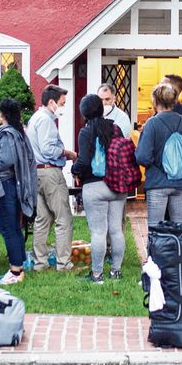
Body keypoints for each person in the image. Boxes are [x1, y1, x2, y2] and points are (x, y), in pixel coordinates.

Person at [72, 93, 126, 283]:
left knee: (98, 232)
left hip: (95, 186)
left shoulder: (86, 132)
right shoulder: (116, 128)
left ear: (84, 112)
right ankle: (116, 272)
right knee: (116, 230)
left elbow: (84, 160)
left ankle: (97, 274)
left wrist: (74, 169)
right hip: (118, 185)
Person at [26, 85, 78, 271]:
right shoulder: (46, 120)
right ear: (51, 102)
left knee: (42, 219)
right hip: (50, 172)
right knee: (63, 218)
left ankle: (41, 263)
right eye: (62, 103)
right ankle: (64, 263)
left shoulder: (34, 119)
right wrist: (67, 153)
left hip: (36, 173)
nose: (62, 107)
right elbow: (48, 149)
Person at [0, 98, 37, 285]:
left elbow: (5, 160)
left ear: (2, 115)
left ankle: (16, 271)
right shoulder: (19, 133)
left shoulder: (7, 135)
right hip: (14, 185)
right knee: (14, 228)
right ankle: (19, 267)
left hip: (6, 187)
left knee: (8, 228)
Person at [135, 83, 182, 225]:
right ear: (174, 101)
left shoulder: (152, 124)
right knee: (179, 226)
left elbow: (142, 157)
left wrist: (158, 164)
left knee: (156, 228)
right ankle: (177, 248)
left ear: (155, 102)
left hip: (158, 182)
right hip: (181, 182)